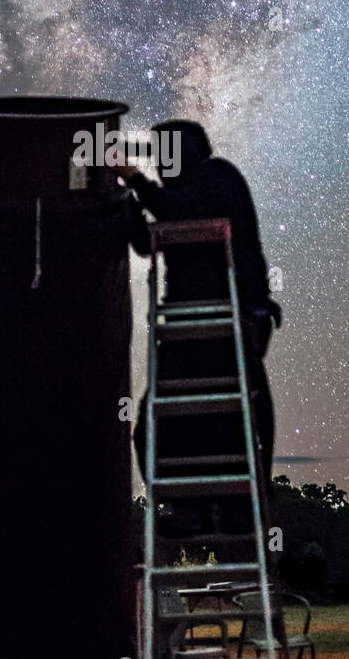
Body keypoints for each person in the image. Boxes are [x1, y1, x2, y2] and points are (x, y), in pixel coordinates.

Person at [117, 119, 280, 492]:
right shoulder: (183, 195)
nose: (157, 165)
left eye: (163, 155)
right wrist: (126, 203)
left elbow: (181, 211)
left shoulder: (217, 177)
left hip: (229, 322)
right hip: (188, 327)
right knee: (159, 428)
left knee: (228, 426)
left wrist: (135, 179)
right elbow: (148, 243)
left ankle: (238, 507)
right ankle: (190, 507)